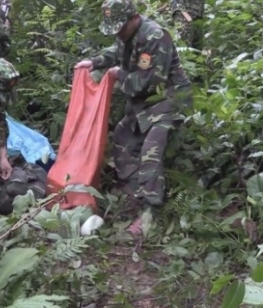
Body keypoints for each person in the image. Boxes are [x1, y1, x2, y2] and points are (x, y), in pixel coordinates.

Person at [74, 0, 193, 235]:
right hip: (144, 105)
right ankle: (132, 190)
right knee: (121, 138)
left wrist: (118, 74)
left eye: (120, 27)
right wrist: (95, 62)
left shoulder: (156, 37)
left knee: (151, 152)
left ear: (133, 18)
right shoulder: (125, 34)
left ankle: (149, 213)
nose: (118, 32)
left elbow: (148, 83)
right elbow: (115, 51)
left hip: (168, 100)